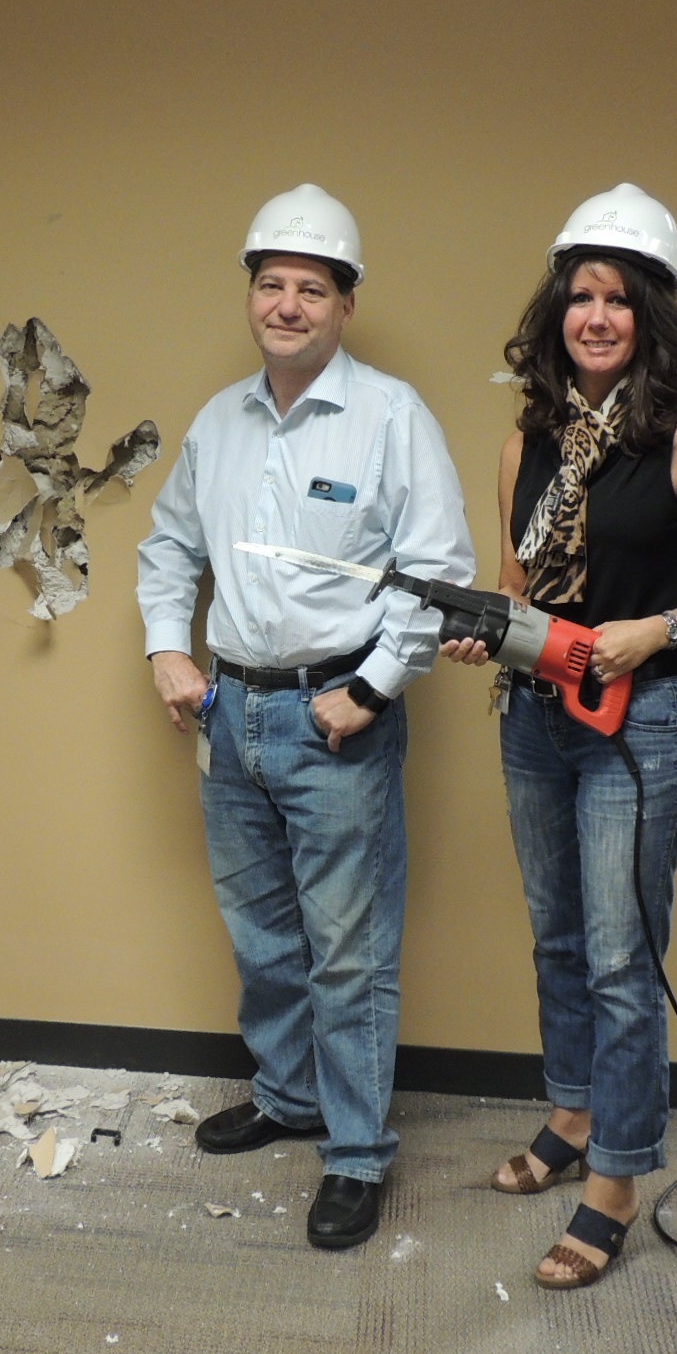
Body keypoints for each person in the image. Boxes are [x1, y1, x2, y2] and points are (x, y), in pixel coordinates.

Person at [137, 184, 473, 1251]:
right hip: (231, 715)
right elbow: (167, 548)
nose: (287, 304)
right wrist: (166, 647)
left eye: (311, 289)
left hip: (339, 721)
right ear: (253, 295)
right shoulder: (220, 420)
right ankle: (288, 1098)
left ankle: (359, 1153)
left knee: (348, 950)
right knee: (264, 938)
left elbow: (437, 575)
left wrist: (369, 690)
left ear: (345, 303)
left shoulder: (390, 417)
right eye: (271, 285)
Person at [442, 186, 677, 1290]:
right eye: (581, 296)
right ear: (556, 310)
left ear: (650, 315)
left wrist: (645, 631)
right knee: (558, 936)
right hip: (537, 718)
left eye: (619, 298)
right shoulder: (528, 442)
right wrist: (491, 636)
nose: (596, 316)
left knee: (622, 959)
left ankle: (613, 1178)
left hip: (642, 722)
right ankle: (570, 1112)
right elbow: (520, 587)